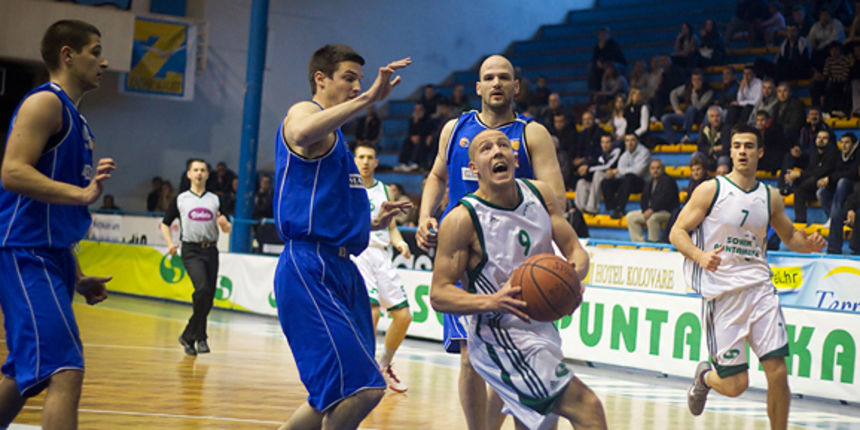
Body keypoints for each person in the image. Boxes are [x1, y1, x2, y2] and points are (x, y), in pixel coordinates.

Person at [415, 54, 566, 430]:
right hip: (463, 258)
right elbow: (435, 176)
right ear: (478, 87)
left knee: (510, 353)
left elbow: (556, 199)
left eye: (505, 77)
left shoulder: (531, 134)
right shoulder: (454, 129)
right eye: (489, 77)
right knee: (470, 354)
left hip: (515, 259)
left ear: (516, 87)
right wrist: (424, 216)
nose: (497, 83)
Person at [430, 128, 607, 430]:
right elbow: (439, 294)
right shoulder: (462, 219)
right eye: (486, 148)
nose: (497, 151)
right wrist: (492, 300)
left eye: (503, 145)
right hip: (500, 337)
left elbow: (576, 251)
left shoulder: (539, 194)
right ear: (473, 169)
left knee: (538, 427)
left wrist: (572, 279)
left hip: (541, 328)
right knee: (588, 408)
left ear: (514, 157)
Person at [273, 44, 411, 430]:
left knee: (329, 397)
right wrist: (369, 99)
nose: (356, 87)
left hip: (342, 266)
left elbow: (327, 212)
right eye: (349, 79)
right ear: (321, 79)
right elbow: (299, 131)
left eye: (360, 82)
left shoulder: (340, 144)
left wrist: (372, 223)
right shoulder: (304, 113)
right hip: (309, 265)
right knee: (364, 388)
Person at [670, 123, 827, 430]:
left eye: (749, 146)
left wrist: (805, 244)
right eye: (738, 146)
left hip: (760, 291)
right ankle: (705, 376)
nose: (743, 151)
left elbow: (790, 236)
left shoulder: (769, 197)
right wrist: (700, 256)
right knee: (736, 385)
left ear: (760, 153)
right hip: (722, 295)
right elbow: (677, 231)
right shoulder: (711, 189)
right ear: (730, 151)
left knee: (778, 372)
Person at [0, 19, 114, 428]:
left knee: (21, 374)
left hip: (52, 256)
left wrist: (78, 274)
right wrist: (82, 194)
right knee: (65, 368)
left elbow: (54, 211)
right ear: (68, 54)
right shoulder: (44, 103)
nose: (105, 61)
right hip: (24, 252)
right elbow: (12, 172)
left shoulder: (78, 121)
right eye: (96, 51)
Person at [352, 143, 413, 393]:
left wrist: (400, 244)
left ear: (377, 162)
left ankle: (383, 366)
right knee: (372, 312)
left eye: (370, 158)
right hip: (359, 252)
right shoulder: (348, 188)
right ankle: (363, 371)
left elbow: (391, 227)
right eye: (361, 157)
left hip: (382, 255)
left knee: (404, 316)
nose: (365, 162)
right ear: (354, 160)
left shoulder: (385, 190)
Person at [159, 159, 232, 355]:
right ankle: (201, 336)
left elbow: (227, 228)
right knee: (202, 290)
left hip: (211, 250)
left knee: (207, 297)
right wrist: (169, 243)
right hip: (191, 250)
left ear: (208, 174)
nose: (199, 173)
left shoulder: (215, 200)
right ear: (189, 174)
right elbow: (165, 223)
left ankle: (188, 336)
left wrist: (225, 224)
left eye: (203, 170)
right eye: (195, 170)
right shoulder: (181, 199)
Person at [785, 130, 837, 223]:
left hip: (829, 188)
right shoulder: (815, 154)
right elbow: (810, 171)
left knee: (812, 180)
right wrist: (795, 176)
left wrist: (799, 174)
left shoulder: (833, 154)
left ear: (829, 141)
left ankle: (790, 188)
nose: (820, 140)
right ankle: (800, 221)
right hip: (814, 187)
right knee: (799, 191)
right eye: (818, 137)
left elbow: (820, 172)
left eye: (824, 138)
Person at [625, 159, 679, 242]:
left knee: (652, 218)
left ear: (663, 169)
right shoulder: (649, 182)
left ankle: (653, 244)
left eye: (658, 168)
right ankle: (640, 243)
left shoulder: (669, 181)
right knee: (630, 217)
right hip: (651, 211)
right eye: (653, 168)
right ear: (650, 170)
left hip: (667, 212)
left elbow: (664, 199)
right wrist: (645, 210)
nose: (655, 171)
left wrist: (652, 210)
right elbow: (643, 199)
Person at [601, 133, 651, 219]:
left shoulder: (644, 153)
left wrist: (620, 171)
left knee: (629, 177)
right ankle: (611, 208)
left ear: (637, 141)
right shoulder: (625, 154)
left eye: (632, 140)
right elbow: (620, 170)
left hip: (643, 183)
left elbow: (638, 171)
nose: (630, 143)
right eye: (627, 140)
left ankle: (620, 209)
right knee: (606, 181)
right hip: (628, 183)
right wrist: (617, 172)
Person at [575, 135, 622, 215]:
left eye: (607, 142)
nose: (605, 145)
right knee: (581, 182)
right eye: (603, 142)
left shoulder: (617, 151)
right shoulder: (600, 154)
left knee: (598, 174)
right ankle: (579, 209)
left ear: (612, 143)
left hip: (613, 181)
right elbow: (594, 163)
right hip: (599, 184)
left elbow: (607, 166)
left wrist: (588, 169)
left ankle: (593, 207)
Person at [693, 105, 731, 174]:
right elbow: (700, 146)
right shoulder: (704, 128)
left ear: (721, 117)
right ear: (708, 118)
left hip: (721, 157)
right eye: (712, 116)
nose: (715, 119)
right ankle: (697, 182)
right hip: (708, 157)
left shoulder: (727, 128)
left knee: (723, 159)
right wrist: (713, 149)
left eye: (717, 116)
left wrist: (714, 151)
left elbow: (726, 147)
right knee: (696, 155)